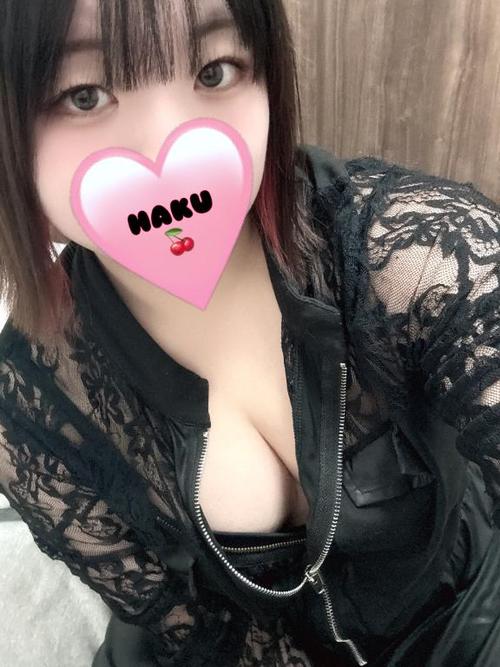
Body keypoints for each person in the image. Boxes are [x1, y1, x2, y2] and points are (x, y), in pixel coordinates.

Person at [0, 0, 499, 665]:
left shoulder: (417, 253)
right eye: (84, 94)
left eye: (214, 71)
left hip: (465, 615)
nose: (169, 146)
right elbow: (185, 624)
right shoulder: (30, 407)